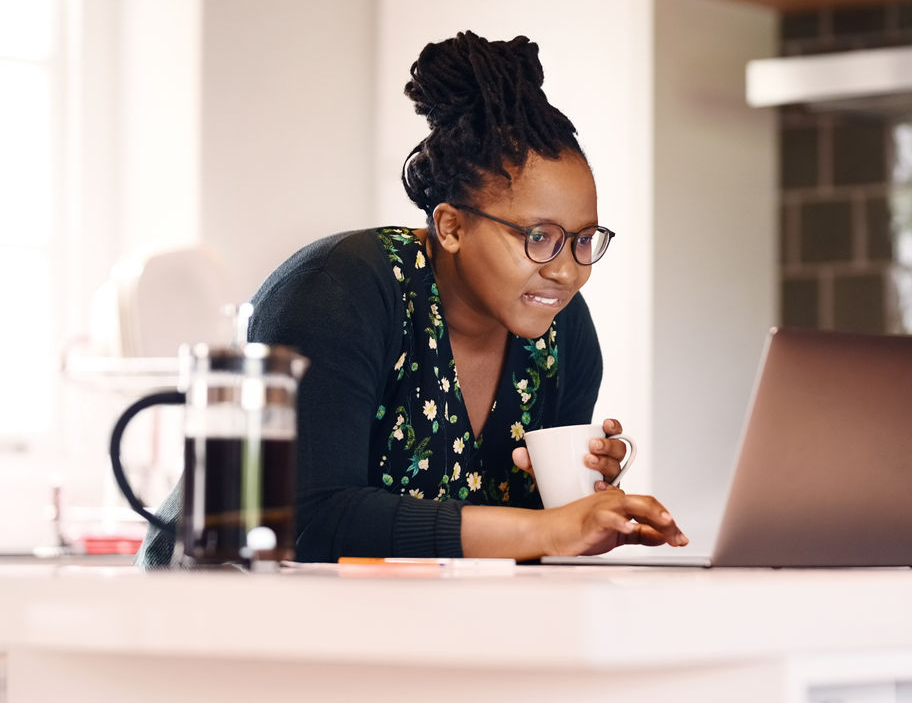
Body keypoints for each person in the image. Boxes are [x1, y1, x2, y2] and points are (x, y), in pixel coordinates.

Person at [137, 31, 686, 566]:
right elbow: (306, 520)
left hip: (402, 631)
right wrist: (545, 527)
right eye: (538, 238)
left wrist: (576, 505)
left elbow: (525, 551)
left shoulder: (564, 333)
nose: (567, 271)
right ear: (450, 227)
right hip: (212, 620)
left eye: (584, 240)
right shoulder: (340, 290)